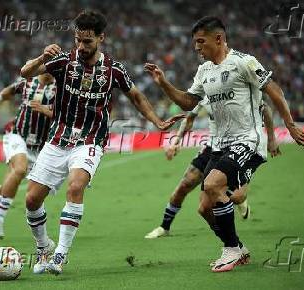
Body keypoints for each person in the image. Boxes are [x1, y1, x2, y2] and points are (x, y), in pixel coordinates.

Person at [19, 10, 184, 275]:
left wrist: (157, 121)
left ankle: (60, 254)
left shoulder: (113, 69)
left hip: (90, 140)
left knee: (75, 186)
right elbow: (25, 72)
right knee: (31, 200)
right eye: (78, 40)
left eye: (87, 41)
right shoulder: (62, 61)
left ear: (101, 38)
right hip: (58, 139)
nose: (81, 47)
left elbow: (137, 96)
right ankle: (43, 247)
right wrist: (42, 56)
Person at [145, 16, 304, 272]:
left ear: (218, 38)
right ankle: (238, 247)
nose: (196, 47)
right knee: (203, 207)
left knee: (212, 184)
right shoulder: (204, 71)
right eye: (194, 43)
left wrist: (288, 125)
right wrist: (164, 83)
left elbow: (274, 90)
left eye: (201, 42)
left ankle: (230, 250)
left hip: (247, 141)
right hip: (219, 145)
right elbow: (189, 103)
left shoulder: (244, 62)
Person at [145, 99, 280, 239]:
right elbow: (189, 118)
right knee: (186, 184)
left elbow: (265, 108)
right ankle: (164, 227)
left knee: (236, 196)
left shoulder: (240, 87)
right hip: (214, 145)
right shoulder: (206, 87)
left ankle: (237, 207)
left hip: (240, 145)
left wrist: (271, 138)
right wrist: (176, 141)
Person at [0, 73, 55, 239]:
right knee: (19, 170)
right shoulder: (28, 82)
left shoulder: (60, 88)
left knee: (14, 183)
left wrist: (45, 110)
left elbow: (64, 117)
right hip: (17, 134)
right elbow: (9, 90)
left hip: (39, 146)